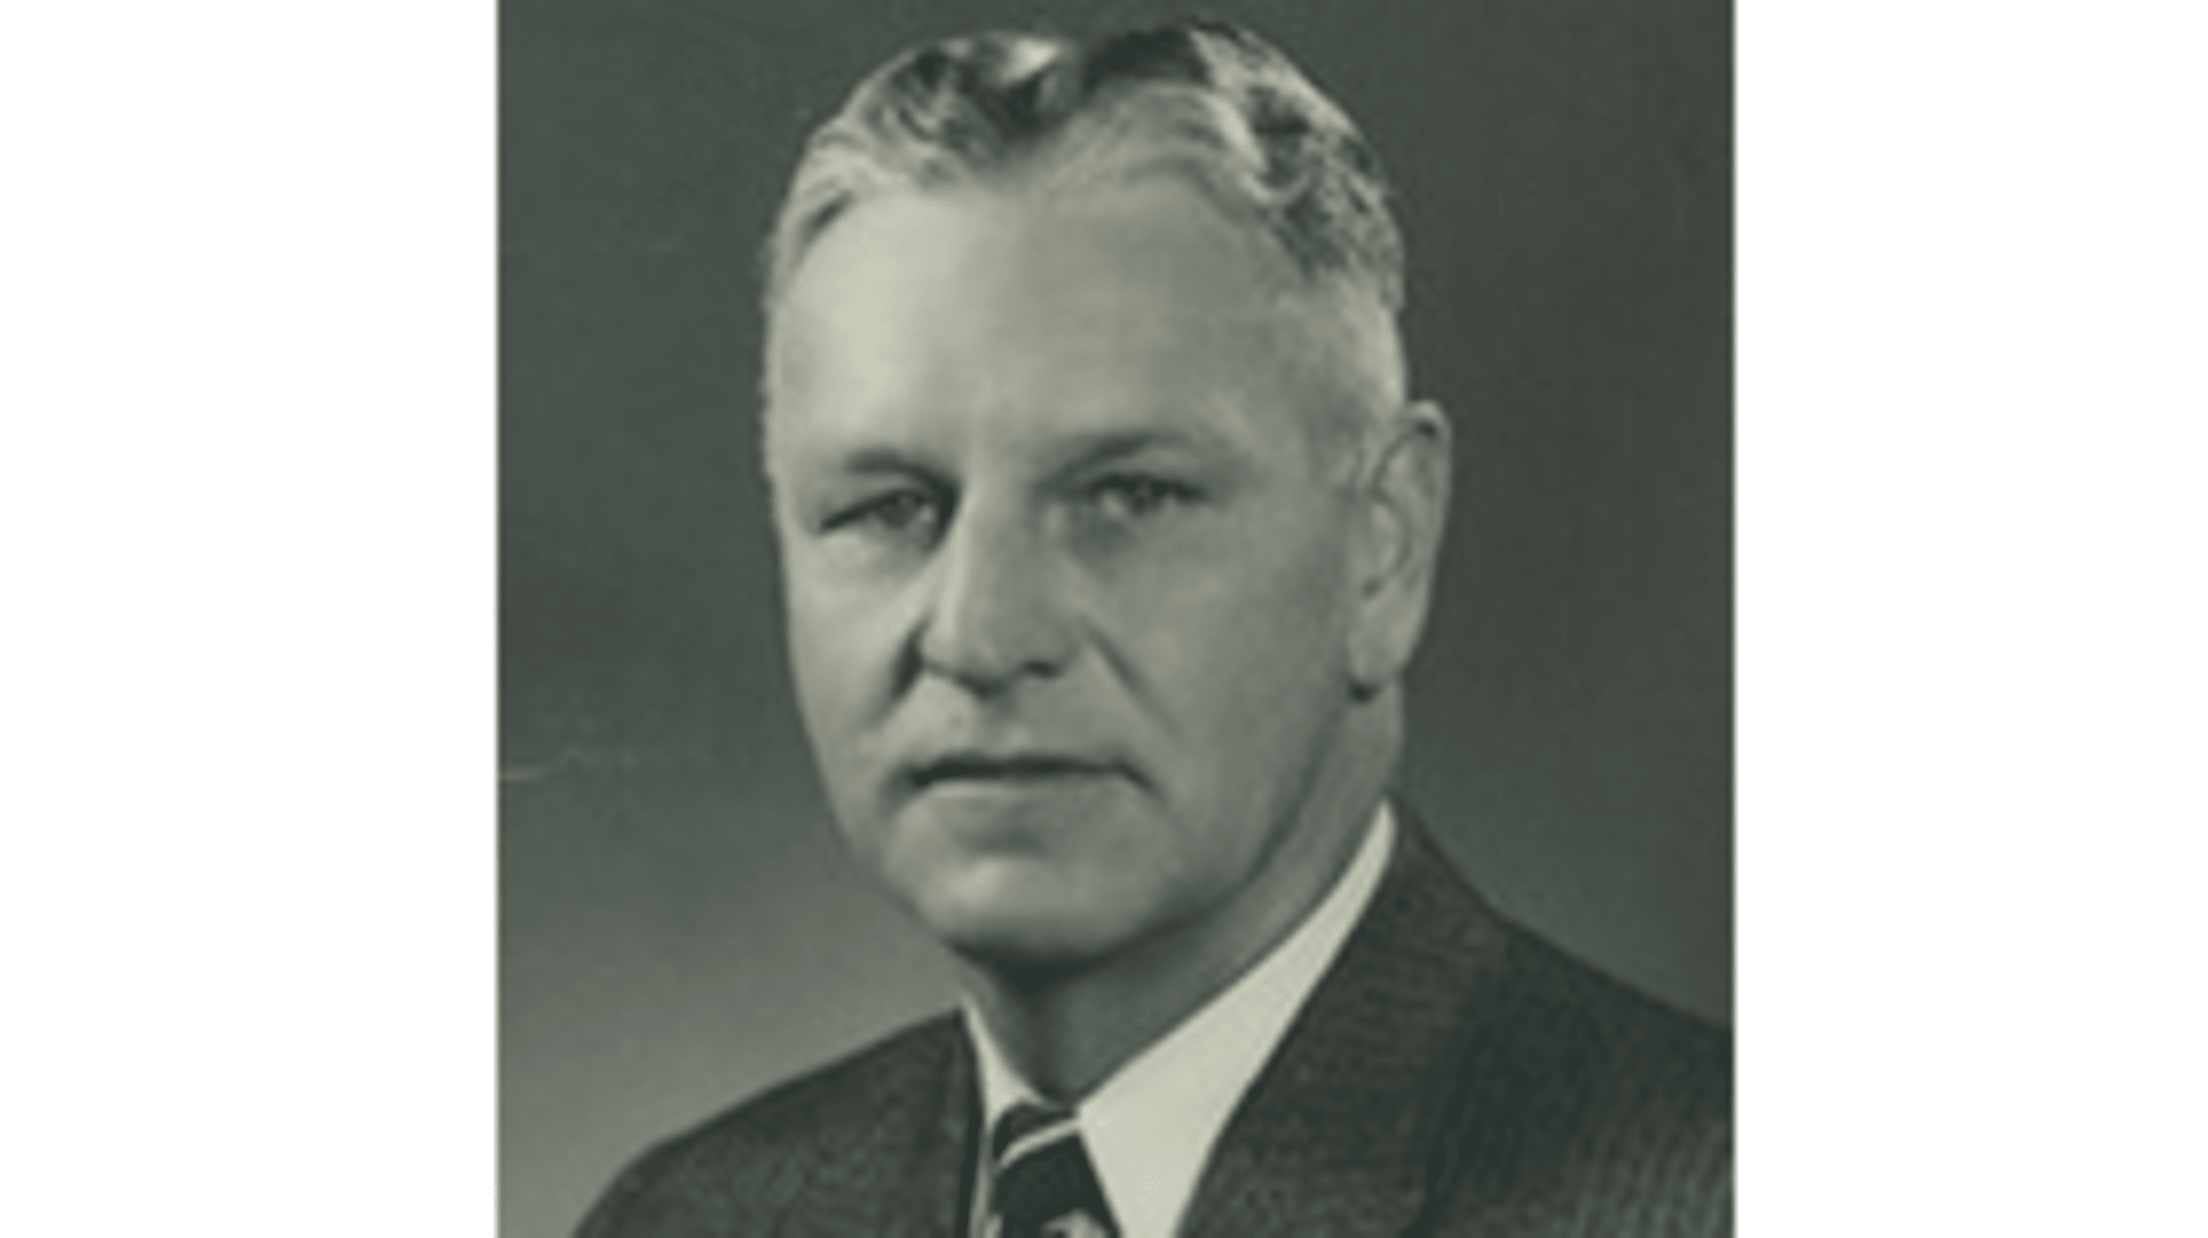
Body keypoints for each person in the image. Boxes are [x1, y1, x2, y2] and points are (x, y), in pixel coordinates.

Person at [580, 19, 1729, 1238]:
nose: (979, 635)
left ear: (1384, 544)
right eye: (891, 508)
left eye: (1129, 496)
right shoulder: (685, 1216)